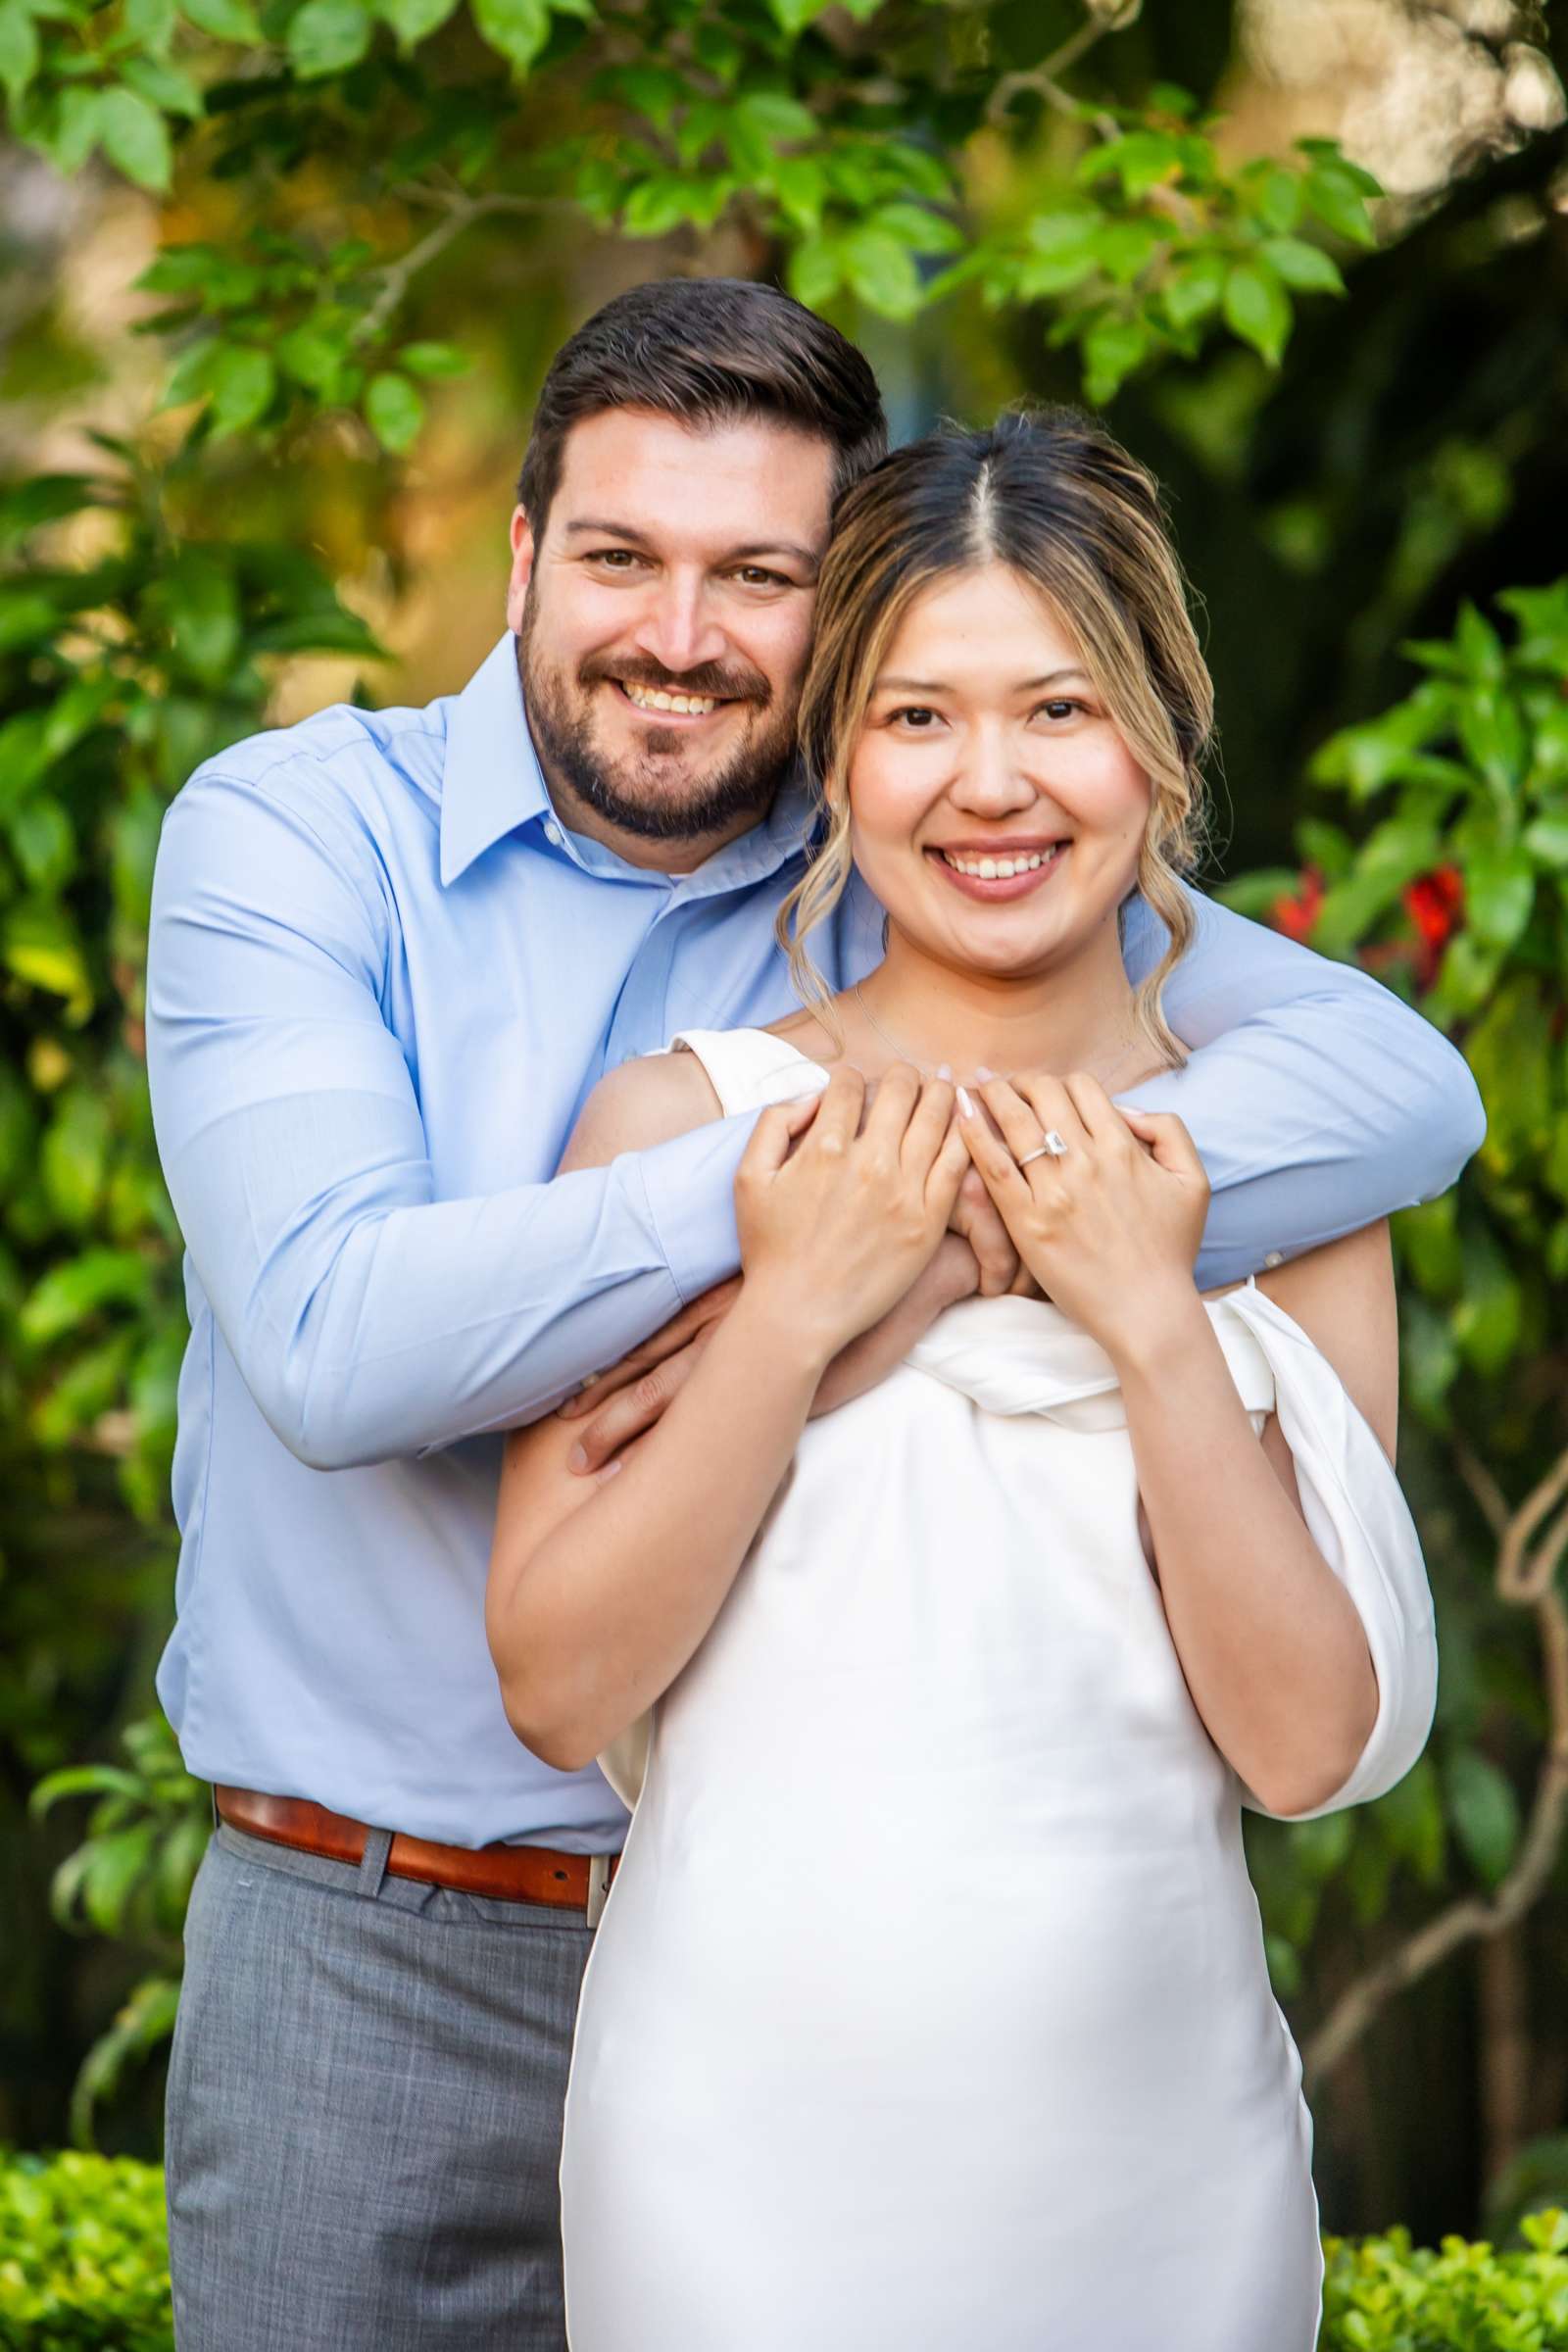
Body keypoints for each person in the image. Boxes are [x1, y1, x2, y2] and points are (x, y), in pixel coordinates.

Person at [147, 278, 1478, 2351]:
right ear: (521, 555)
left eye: (755, 574)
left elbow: (1402, 1091)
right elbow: (330, 1346)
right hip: (391, 1931)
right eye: (617, 557)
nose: (678, 632)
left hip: (1062, 2087)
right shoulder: (301, 839)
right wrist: (798, 1264)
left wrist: (967, 1242)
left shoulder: (927, 855)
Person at [486, 410, 1442, 2352]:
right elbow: (558, 1681)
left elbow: (1304, 1747)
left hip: (1154, 2175)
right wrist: (797, 1307)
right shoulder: (686, 1127)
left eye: (1056, 708)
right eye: (915, 716)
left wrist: (1149, 1315)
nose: (987, 785)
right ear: (831, 746)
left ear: (1158, 734)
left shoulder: (1281, 1178)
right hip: (728, 2167)